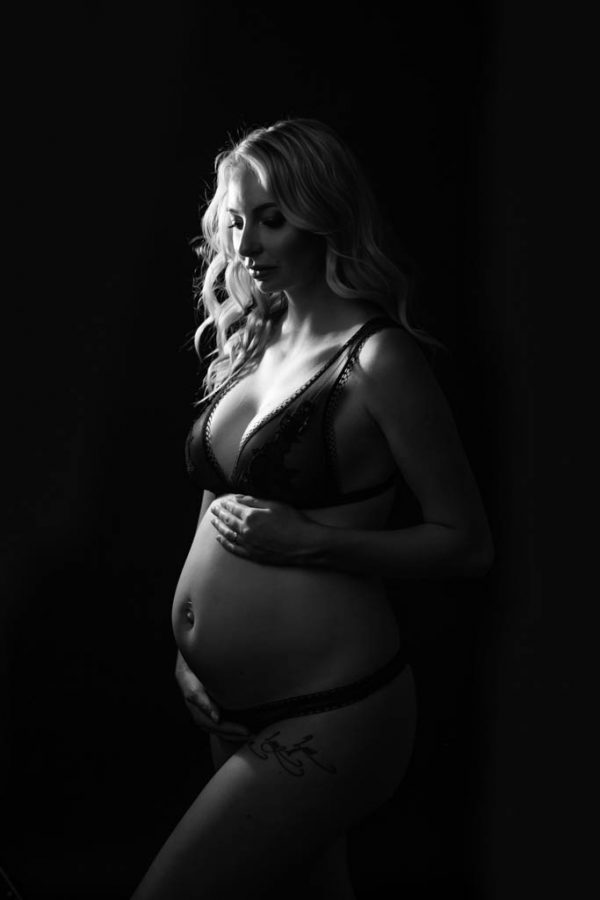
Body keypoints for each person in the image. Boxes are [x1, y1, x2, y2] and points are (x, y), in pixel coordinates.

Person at [131, 118, 494, 900]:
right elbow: (218, 505)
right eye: (237, 221)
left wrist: (309, 542)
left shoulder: (379, 358)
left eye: (272, 218)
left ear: (322, 213)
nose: (248, 244)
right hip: (226, 705)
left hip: (331, 709)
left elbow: (466, 543)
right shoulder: (253, 338)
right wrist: (190, 655)